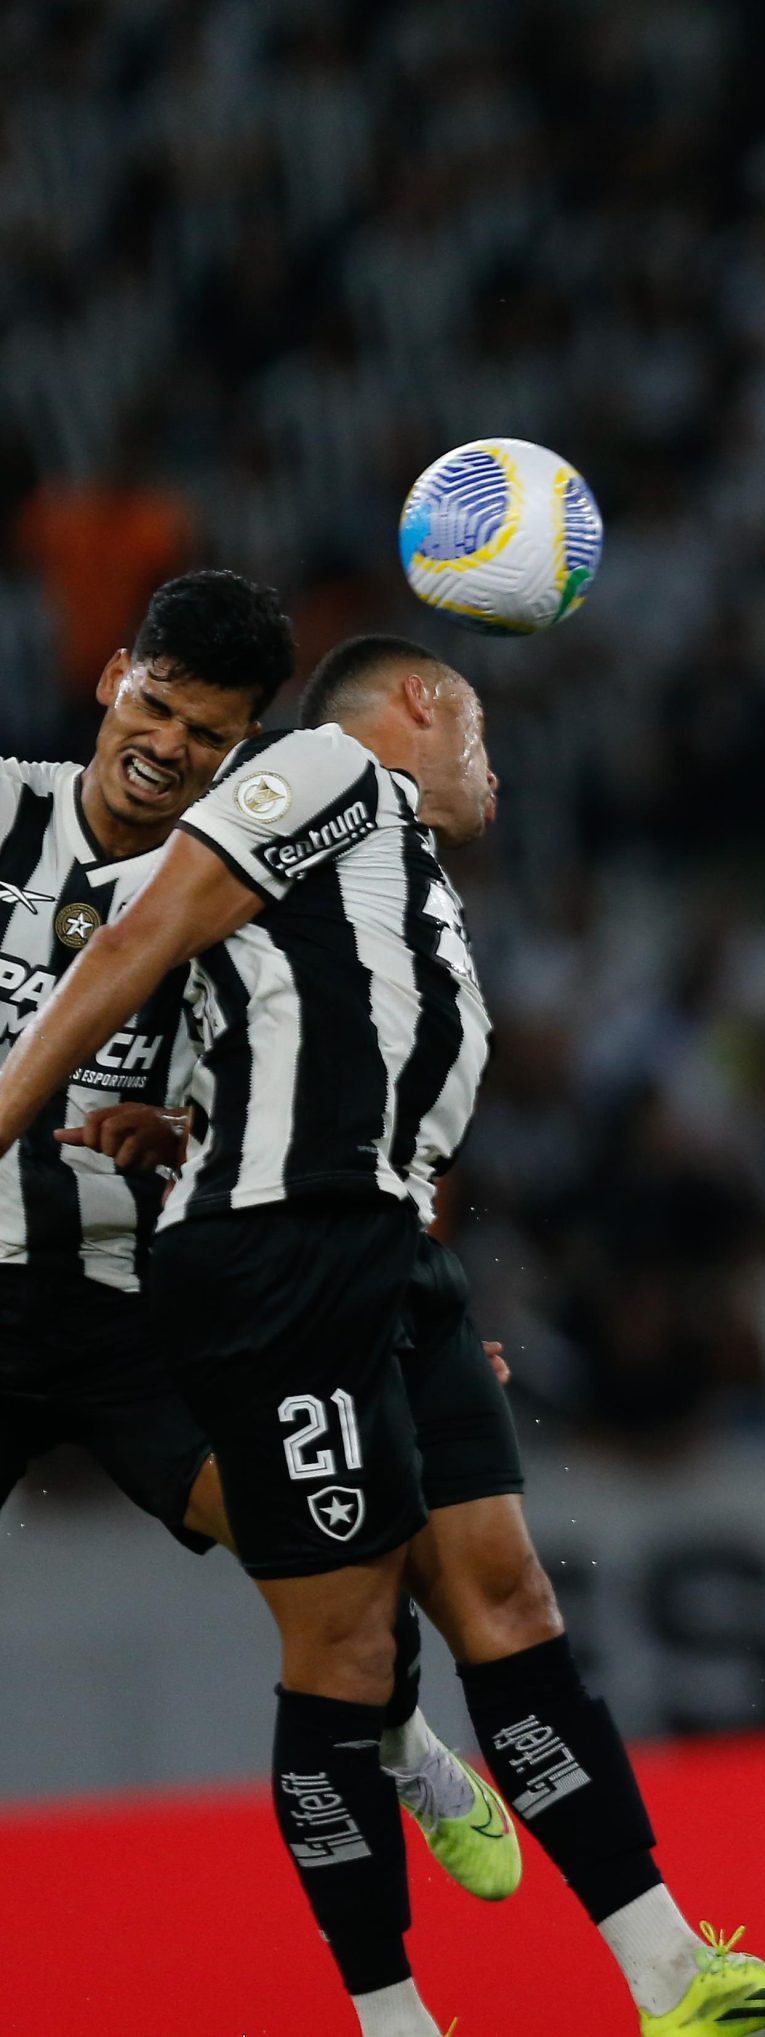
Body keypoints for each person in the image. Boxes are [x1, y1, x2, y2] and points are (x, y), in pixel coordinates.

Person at [0, 633, 765, 2036]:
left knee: (508, 1598)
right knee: (343, 1641)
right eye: (480, 735)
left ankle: (673, 1975)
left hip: (388, 1263)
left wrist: (187, 1126)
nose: (500, 770)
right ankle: (393, 2019)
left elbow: (293, 1039)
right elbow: (136, 938)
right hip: (283, 1264)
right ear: (416, 708)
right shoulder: (328, 771)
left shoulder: (396, 878)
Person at [0, 571, 513, 1898]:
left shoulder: (246, 881)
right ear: (116, 675)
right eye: (157, 707)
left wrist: (414, 1309)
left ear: (243, 749)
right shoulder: (5, 811)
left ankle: (401, 1733)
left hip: (130, 1298)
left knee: (328, 1555)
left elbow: (333, 1095)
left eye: (208, 736)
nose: (168, 748)